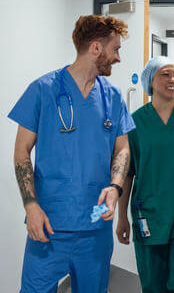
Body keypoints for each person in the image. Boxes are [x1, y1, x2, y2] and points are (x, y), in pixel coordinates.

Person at [8, 15, 135, 293]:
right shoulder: (42, 89)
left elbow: (122, 147)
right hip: (49, 224)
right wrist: (30, 204)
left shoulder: (112, 96)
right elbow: (21, 153)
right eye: (116, 49)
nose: (118, 58)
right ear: (96, 48)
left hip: (95, 225)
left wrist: (115, 187)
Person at [117, 56, 174, 293]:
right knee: (153, 284)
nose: (172, 80)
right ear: (150, 81)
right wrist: (122, 217)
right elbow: (128, 174)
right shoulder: (135, 121)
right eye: (165, 75)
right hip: (149, 213)